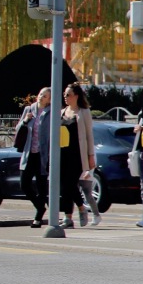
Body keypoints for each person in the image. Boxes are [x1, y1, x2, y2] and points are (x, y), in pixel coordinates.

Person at [56, 85, 94, 229]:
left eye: (68, 95)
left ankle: (80, 209)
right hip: (62, 153)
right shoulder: (61, 112)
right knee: (65, 186)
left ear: (76, 96)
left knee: (70, 184)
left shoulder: (84, 112)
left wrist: (91, 156)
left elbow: (90, 135)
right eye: (65, 95)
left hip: (77, 155)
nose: (65, 97)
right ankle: (69, 217)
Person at [15, 87, 50, 227]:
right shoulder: (29, 110)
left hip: (43, 155)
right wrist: (24, 121)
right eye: (41, 94)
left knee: (41, 187)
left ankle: (38, 218)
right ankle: (40, 207)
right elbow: (17, 129)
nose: (41, 97)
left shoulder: (51, 113)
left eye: (45, 96)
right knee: (24, 184)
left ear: (49, 100)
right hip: (29, 153)